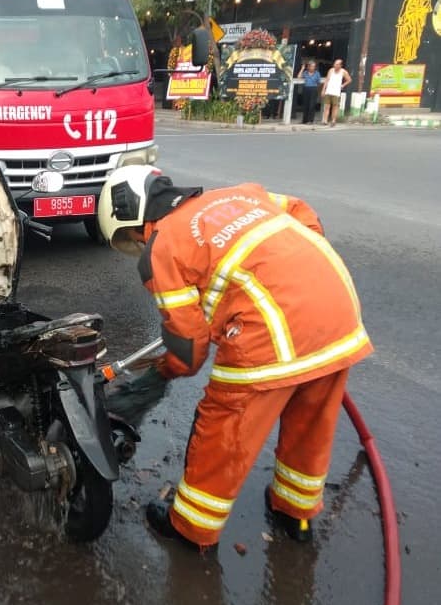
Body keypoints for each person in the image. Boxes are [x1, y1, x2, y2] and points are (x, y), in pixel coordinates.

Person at [97, 165, 373, 553]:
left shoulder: (163, 245)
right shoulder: (242, 194)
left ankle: (191, 527)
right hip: (339, 310)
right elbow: (302, 212)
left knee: (223, 425)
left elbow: (189, 347)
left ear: (130, 216)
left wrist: (163, 372)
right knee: (312, 420)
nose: (137, 246)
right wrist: (299, 275)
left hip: (270, 335)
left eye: (129, 239)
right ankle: (296, 515)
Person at [321, 59, 351, 127]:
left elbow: (349, 80)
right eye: (335, 64)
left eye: (337, 64)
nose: (335, 65)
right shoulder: (331, 70)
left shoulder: (343, 72)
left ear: (341, 65)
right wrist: (323, 90)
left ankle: (333, 120)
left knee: (335, 107)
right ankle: (325, 120)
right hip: (329, 90)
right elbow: (327, 80)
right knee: (327, 106)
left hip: (336, 92)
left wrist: (343, 85)